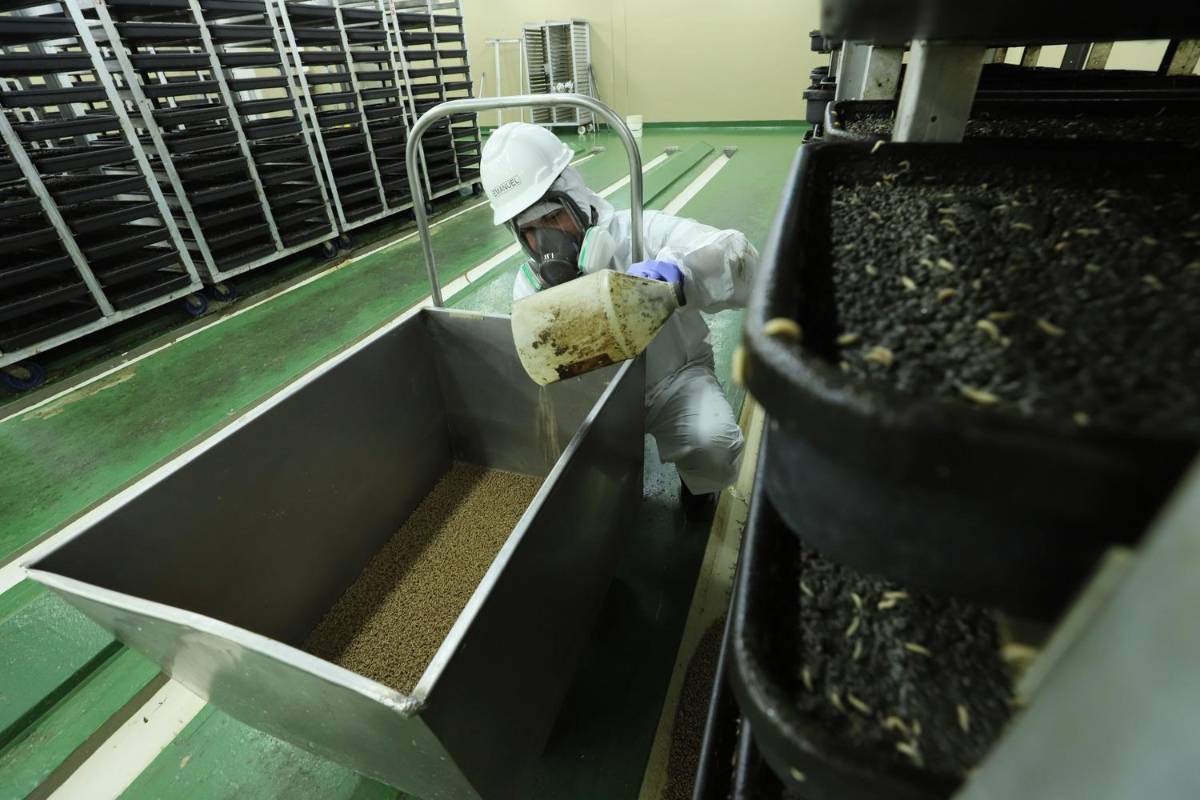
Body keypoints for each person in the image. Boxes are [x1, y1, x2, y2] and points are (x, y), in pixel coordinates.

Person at [481, 122, 757, 518]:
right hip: (595, 398)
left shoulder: (641, 231)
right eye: (529, 230)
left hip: (671, 380)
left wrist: (680, 274)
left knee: (712, 442)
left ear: (576, 198)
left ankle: (699, 488)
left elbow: (739, 257)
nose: (545, 242)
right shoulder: (531, 290)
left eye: (553, 217)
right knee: (565, 475)